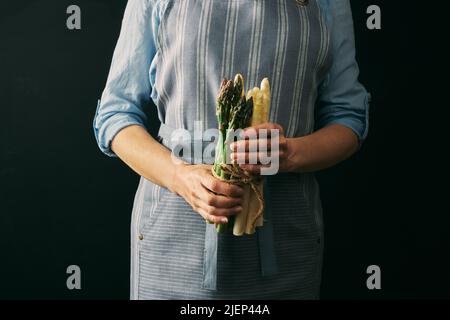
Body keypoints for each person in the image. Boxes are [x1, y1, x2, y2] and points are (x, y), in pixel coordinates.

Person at [93, 0, 370, 299]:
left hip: (287, 236)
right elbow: (115, 114)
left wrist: (289, 154)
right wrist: (179, 177)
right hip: (172, 236)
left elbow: (349, 117)